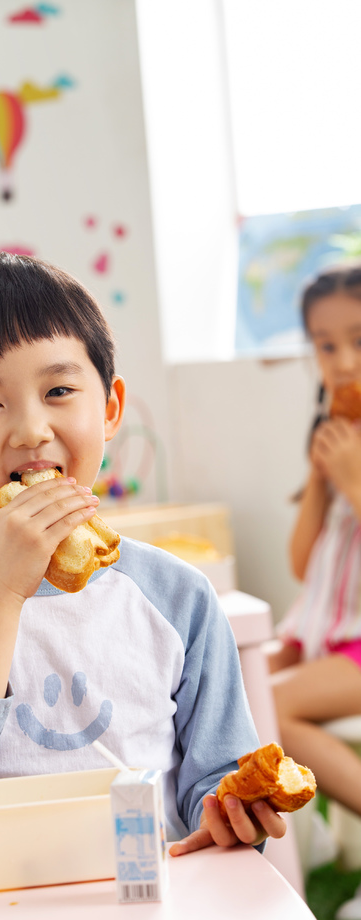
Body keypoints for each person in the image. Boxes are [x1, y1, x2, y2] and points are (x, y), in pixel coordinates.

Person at [0, 252, 286, 856]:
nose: (30, 430)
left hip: (152, 889)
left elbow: (214, 777)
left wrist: (229, 810)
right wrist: (3, 591)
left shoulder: (178, 596)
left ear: (111, 408)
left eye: (60, 390)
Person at [268, 266, 361, 823]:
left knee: (268, 707)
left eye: (360, 340)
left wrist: (352, 478)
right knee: (227, 680)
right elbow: (302, 566)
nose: (343, 362)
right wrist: (322, 480)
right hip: (316, 633)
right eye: (326, 346)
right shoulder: (333, 435)